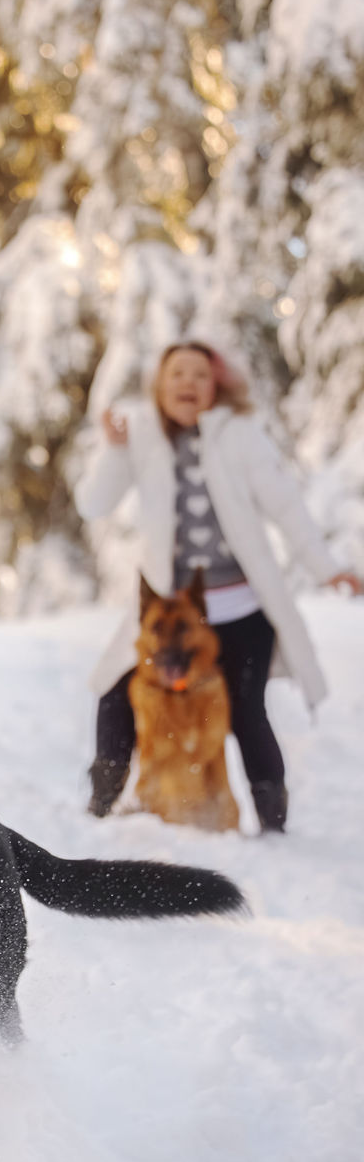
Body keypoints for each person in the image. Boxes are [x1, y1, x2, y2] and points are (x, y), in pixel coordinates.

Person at [75, 340, 361, 833]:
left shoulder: (240, 436)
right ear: (159, 388)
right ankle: (101, 807)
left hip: (243, 613)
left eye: (200, 375)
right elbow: (95, 504)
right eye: (177, 374)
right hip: (171, 616)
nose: (188, 383)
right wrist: (114, 450)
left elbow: (286, 507)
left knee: (246, 713)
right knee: (116, 694)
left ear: (217, 387)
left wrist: (327, 568)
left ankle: (274, 824)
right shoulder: (141, 435)